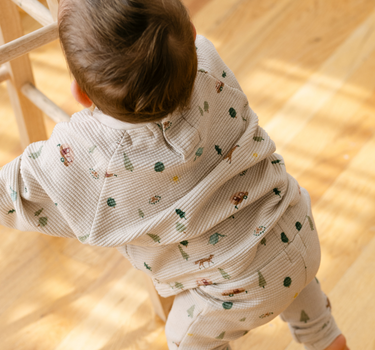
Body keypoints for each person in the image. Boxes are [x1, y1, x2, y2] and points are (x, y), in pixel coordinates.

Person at [0, 0, 348, 349]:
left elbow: (13, 194)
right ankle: (327, 337)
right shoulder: (208, 62)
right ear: (193, 35)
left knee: (184, 337)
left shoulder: (90, 157)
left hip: (233, 291)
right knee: (302, 299)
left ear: (79, 92)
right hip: (297, 229)